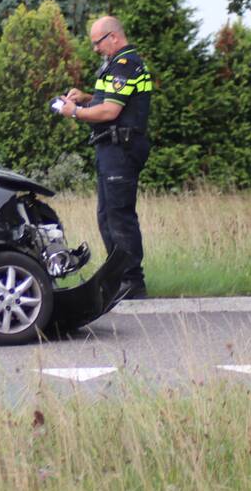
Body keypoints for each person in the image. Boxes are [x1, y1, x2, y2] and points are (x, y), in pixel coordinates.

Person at [59, 16, 152, 299]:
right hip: (111, 148)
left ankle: (132, 282)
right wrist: (86, 99)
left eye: (97, 42)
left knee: (119, 216)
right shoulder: (117, 65)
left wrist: (74, 112)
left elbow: (110, 112)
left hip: (121, 149)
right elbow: (110, 101)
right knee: (106, 216)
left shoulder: (125, 65)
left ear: (113, 37)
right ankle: (117, 278)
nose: (96, 49)